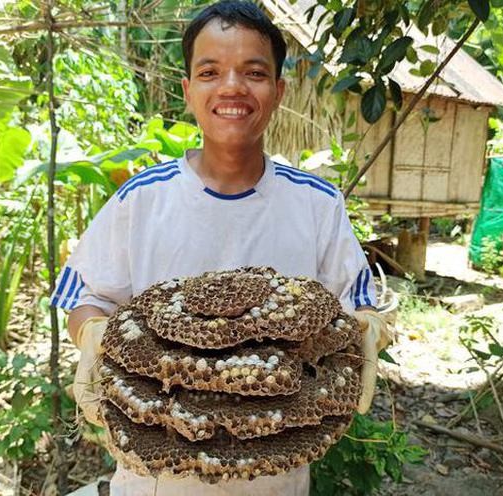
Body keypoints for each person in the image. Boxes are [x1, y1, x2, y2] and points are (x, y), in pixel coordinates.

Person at [51, 2, 391, 494]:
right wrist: (93, 334)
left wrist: (369, 327)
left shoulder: (316, 203)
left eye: (253, 72)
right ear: (188, 91)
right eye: (210, 72)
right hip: (155, 475)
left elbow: (356, 304)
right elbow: (83, 296)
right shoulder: (141, 199)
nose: (232, 86)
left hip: (275, 471)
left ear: (278, 90)